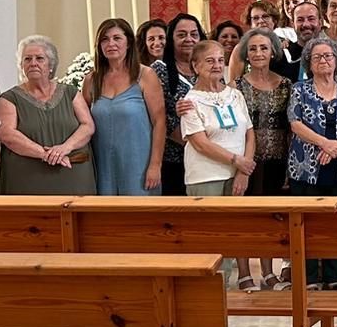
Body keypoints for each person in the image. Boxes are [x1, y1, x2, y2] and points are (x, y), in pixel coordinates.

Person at [288, 37, 337, 289]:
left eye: (328, 56)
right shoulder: (299, 90)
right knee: (307, 222)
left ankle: (333, 277)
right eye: (317, 57)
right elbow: (295, 123)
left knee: (334, 221)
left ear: (336, 60)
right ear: (309, 63)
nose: (323, 60)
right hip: (306, 167)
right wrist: (325, 144)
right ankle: (310, 278)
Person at [0, 35, 97, 195]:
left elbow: (88, 126)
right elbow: (7, 135)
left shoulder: (70, 93)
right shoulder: (9, 98)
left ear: (51, 65)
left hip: (73, 175)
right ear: (21, 66)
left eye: (39, 58)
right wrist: (46, 154)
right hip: (27, 180)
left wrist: (64, 148)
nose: (33, 63)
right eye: (27, 59)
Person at [237, 28, 292, 290]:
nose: (258, 53)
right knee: (245, 219)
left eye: (264, 48)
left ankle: (269, 273)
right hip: (247, 161)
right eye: (253, 48)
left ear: (273, 52)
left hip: (278, 160)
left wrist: (290, 166)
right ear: (246, 54)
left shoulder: (286, 85)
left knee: (271, 218)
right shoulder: (236, 87)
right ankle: (244, 274)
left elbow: (292, 127)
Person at [86, 17, 165, 196]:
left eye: (117, 38)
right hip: (102, 165)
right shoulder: (91, 80)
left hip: (139, 164)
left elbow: (159, 122)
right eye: (105, 39)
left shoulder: (145, 75)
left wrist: (155, 165)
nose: (111, 44)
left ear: (128, 42)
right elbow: (83, 122)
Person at [180, 39, 254, 196]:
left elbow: (249, 134)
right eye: (210, 61)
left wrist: (244, 171)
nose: (217, 65)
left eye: (220, 60)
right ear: (195, 66)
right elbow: (201, 144)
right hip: (206, 177)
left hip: (238, 174)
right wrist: (237, 160)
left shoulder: (235, 95)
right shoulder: (189, 102)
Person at [155, 13, 204, 195]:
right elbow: (159, 115)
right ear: (171, 39)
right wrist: (196, 143)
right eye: (182, 35)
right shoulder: (159, 70)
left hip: (207, 160)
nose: (189, 39)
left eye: (194, 34)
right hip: (174, 159)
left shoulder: (210, 68)